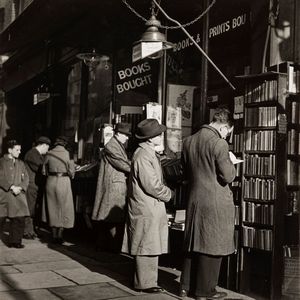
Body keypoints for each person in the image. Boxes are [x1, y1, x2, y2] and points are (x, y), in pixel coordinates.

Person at [179, 107, 236, 300]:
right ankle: (206, 291)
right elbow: (227, 176)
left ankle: (185, 286)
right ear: (225, 127)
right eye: (229, 132)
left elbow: (185, 174)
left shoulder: (188, 141)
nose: (228, 135)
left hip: (195, 200)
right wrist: (232, 163)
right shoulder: (219, 144)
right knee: (213, 243)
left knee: (194, 243)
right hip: (215, 202)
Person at [122, 119, 173, 294]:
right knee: (146, 244)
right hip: (147, 206)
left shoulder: (146, 152)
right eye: (159, 134)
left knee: (150, 243)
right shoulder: (143, 155)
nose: (161, 136)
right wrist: (169, 194)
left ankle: (148, 281)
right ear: (151, 138)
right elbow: (151, 184)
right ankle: (144, 283)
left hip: (148, 206)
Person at [92, 122, 132, 252]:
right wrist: (138, 167)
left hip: (114, 185)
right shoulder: (112, 146)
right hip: (113, 186)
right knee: (112, 218)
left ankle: (107, 246)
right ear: (119, 134)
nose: (127, 138)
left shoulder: (116, 145)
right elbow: (123, 164)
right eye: (126, 135)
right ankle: (110, 247)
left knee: (111, 218)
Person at [42, 136, 75, 244]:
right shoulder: (68, 154)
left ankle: (53, 234)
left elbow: (43, 171)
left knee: (52, 207)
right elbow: (72, 172)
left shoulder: (49, 153)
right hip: (63, 181)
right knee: (63, 207)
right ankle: (59, 236)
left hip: (50, 181)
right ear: (65, 144)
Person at [0, 140, 29, 248]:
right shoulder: (1, 162)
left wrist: (21, 187)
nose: (20, 152)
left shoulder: (21, 163)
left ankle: (15, 241)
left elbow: (26, 177)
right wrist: (11, 187)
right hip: (5, 195)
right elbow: (0, 177)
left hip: (18, 196)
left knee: (19, 219)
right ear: (10, 150)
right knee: (1, 218)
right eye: (17, 150)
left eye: (20, 149)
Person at [24, 136, 51, 239]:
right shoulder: (32, 154)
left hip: (36, 185)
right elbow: (39, 168)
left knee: (34, 208)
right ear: (43, 145)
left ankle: (31, 230)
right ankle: (27, 231)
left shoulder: (37, 154)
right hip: (31, 185)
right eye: (47, 147)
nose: (47, 150)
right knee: (30, 208)